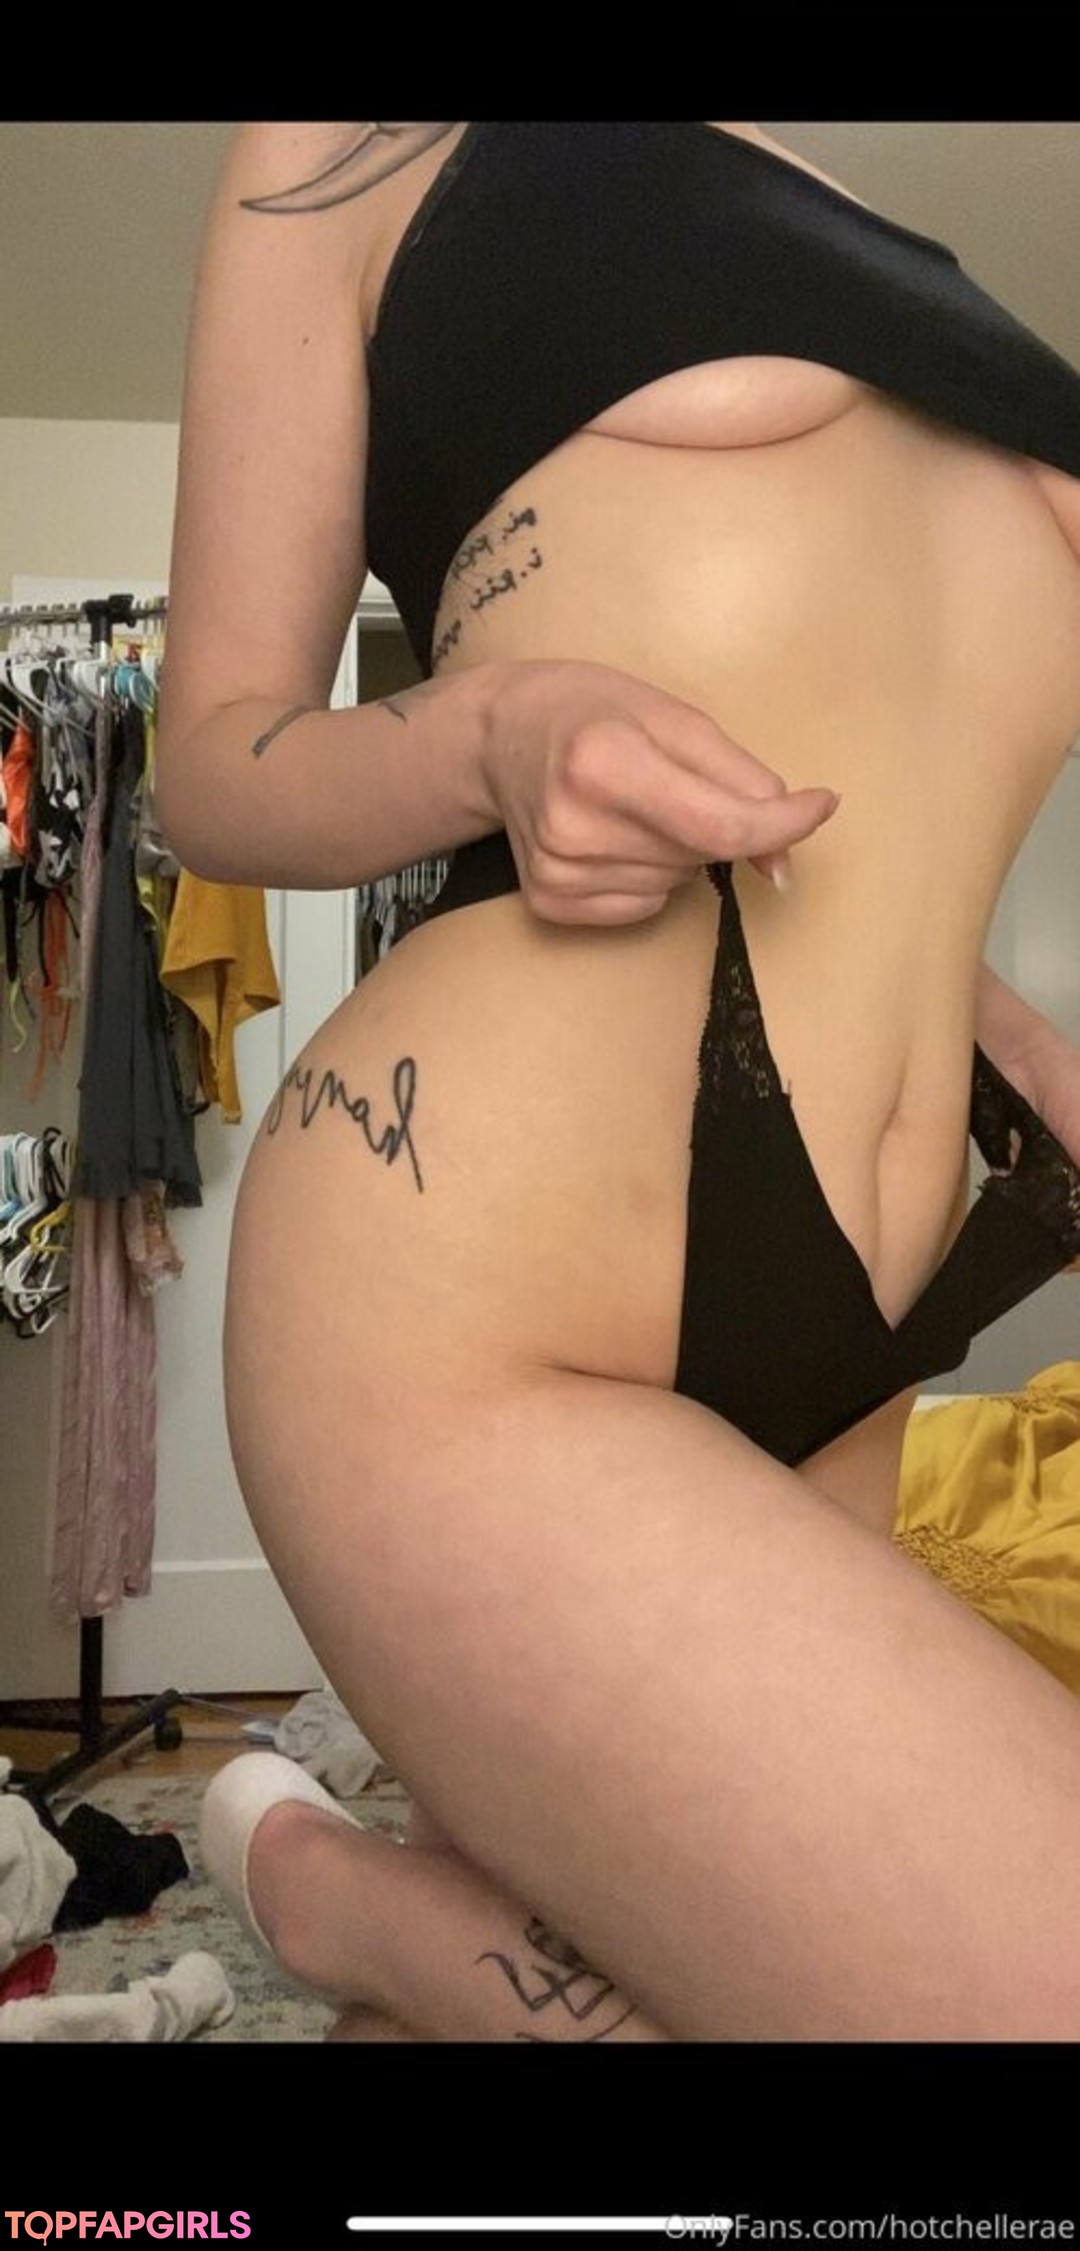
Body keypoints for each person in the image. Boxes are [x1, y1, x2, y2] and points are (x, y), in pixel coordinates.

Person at [157, 121, 1080, 2042]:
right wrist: (486, 734)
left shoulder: (880, 228)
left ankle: (378, 1923)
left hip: (874, 1320)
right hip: (487, 1274)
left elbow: (866, 783)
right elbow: (212, 767)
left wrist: (1022, 1052)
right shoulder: (347, 153)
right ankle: (366, 1908)